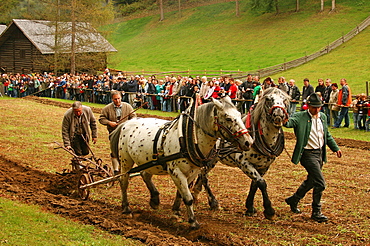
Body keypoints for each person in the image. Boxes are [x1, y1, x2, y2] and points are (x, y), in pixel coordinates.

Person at [284, 93, 342, 222]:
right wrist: (282, 116)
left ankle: (294, 199)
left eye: (319, 107)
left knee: (312, 180)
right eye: (314, 107)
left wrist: (335, 148)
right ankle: (316, 211)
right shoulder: (300, 117)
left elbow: (327, 135)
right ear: (308, 106)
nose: (316, 110)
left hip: (319, 154)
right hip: (307, 154)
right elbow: (288, 123)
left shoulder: (323, 117)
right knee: (320, 183)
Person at [99, 90, 136, 175]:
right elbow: (101, 119)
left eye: (119, 98)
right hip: (113, 133)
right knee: (114, 150)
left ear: (121, 98)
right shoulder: (107, 108)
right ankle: (116, 170)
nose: (117, 101)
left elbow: (134, 117)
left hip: (126, 134)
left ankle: (127, 168)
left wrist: (128, 124)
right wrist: (109, 123)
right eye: (115, 99)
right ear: (112, 99)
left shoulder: (128, 106)